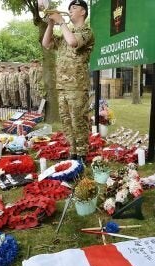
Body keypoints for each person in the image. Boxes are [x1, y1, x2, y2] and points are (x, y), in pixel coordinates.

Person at [42, 0, 94, 161]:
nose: (70, 10)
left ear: (83, 12)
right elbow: (46, 43)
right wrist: (50, 25)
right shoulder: (66, 33)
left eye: (74, 8)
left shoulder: (86, 31)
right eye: (69, 8)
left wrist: (62, 22)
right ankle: (73, 152)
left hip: (77, 86)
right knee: (67, 122)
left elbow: (73, 42)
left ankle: (82, 154)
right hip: (62, 87)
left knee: (79, 121)